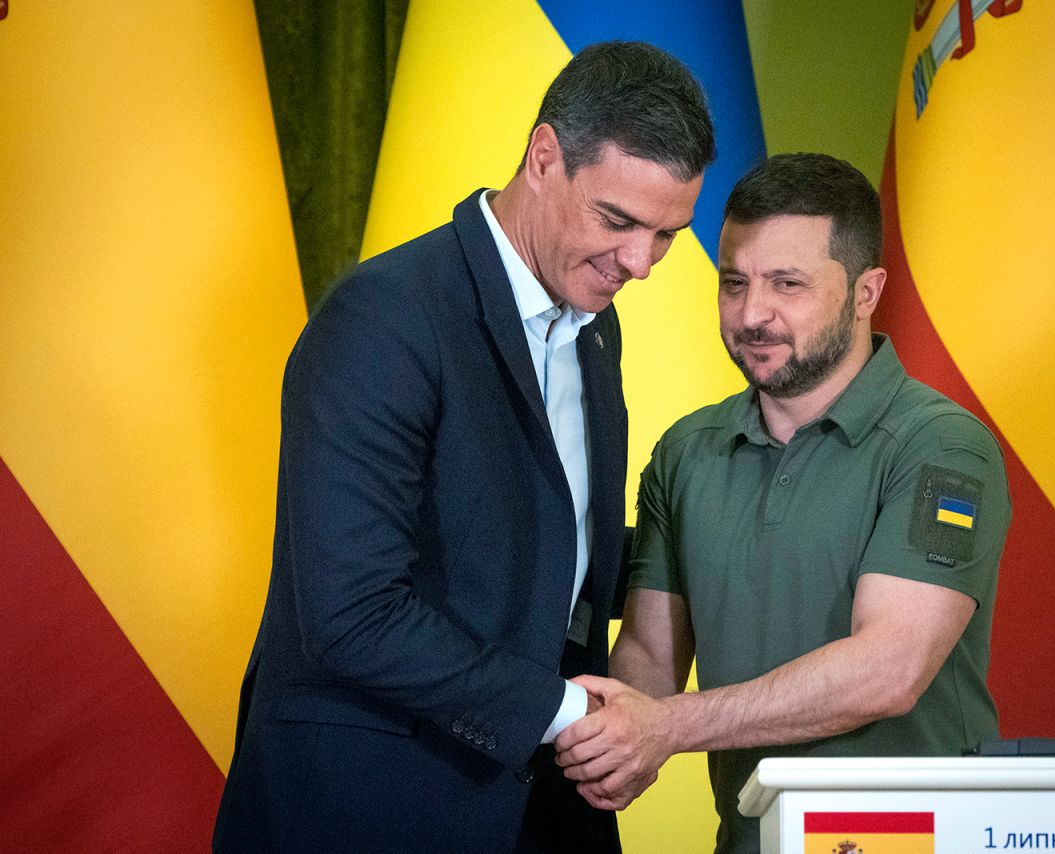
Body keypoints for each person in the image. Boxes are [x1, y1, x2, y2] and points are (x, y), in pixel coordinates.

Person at [212, 41, 713, 854]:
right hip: (369, 807)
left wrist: (703, 561)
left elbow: (547, 545)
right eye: (618, 221)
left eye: (667, 235)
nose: (641, 263)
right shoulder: (385, 319)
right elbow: (352, 613)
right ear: (543, 157)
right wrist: (569, 715)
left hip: (537, 808)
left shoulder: (594, 323)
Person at [554, 153, 1012, 853]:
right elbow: (649, 655)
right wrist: (600, 737)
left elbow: (887, 670)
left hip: (919, 841)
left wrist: (665, 728)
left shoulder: (943, 446)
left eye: (787, 285)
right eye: (733, 283)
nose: (752, 314)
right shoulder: (686, 452)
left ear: (867, 292)